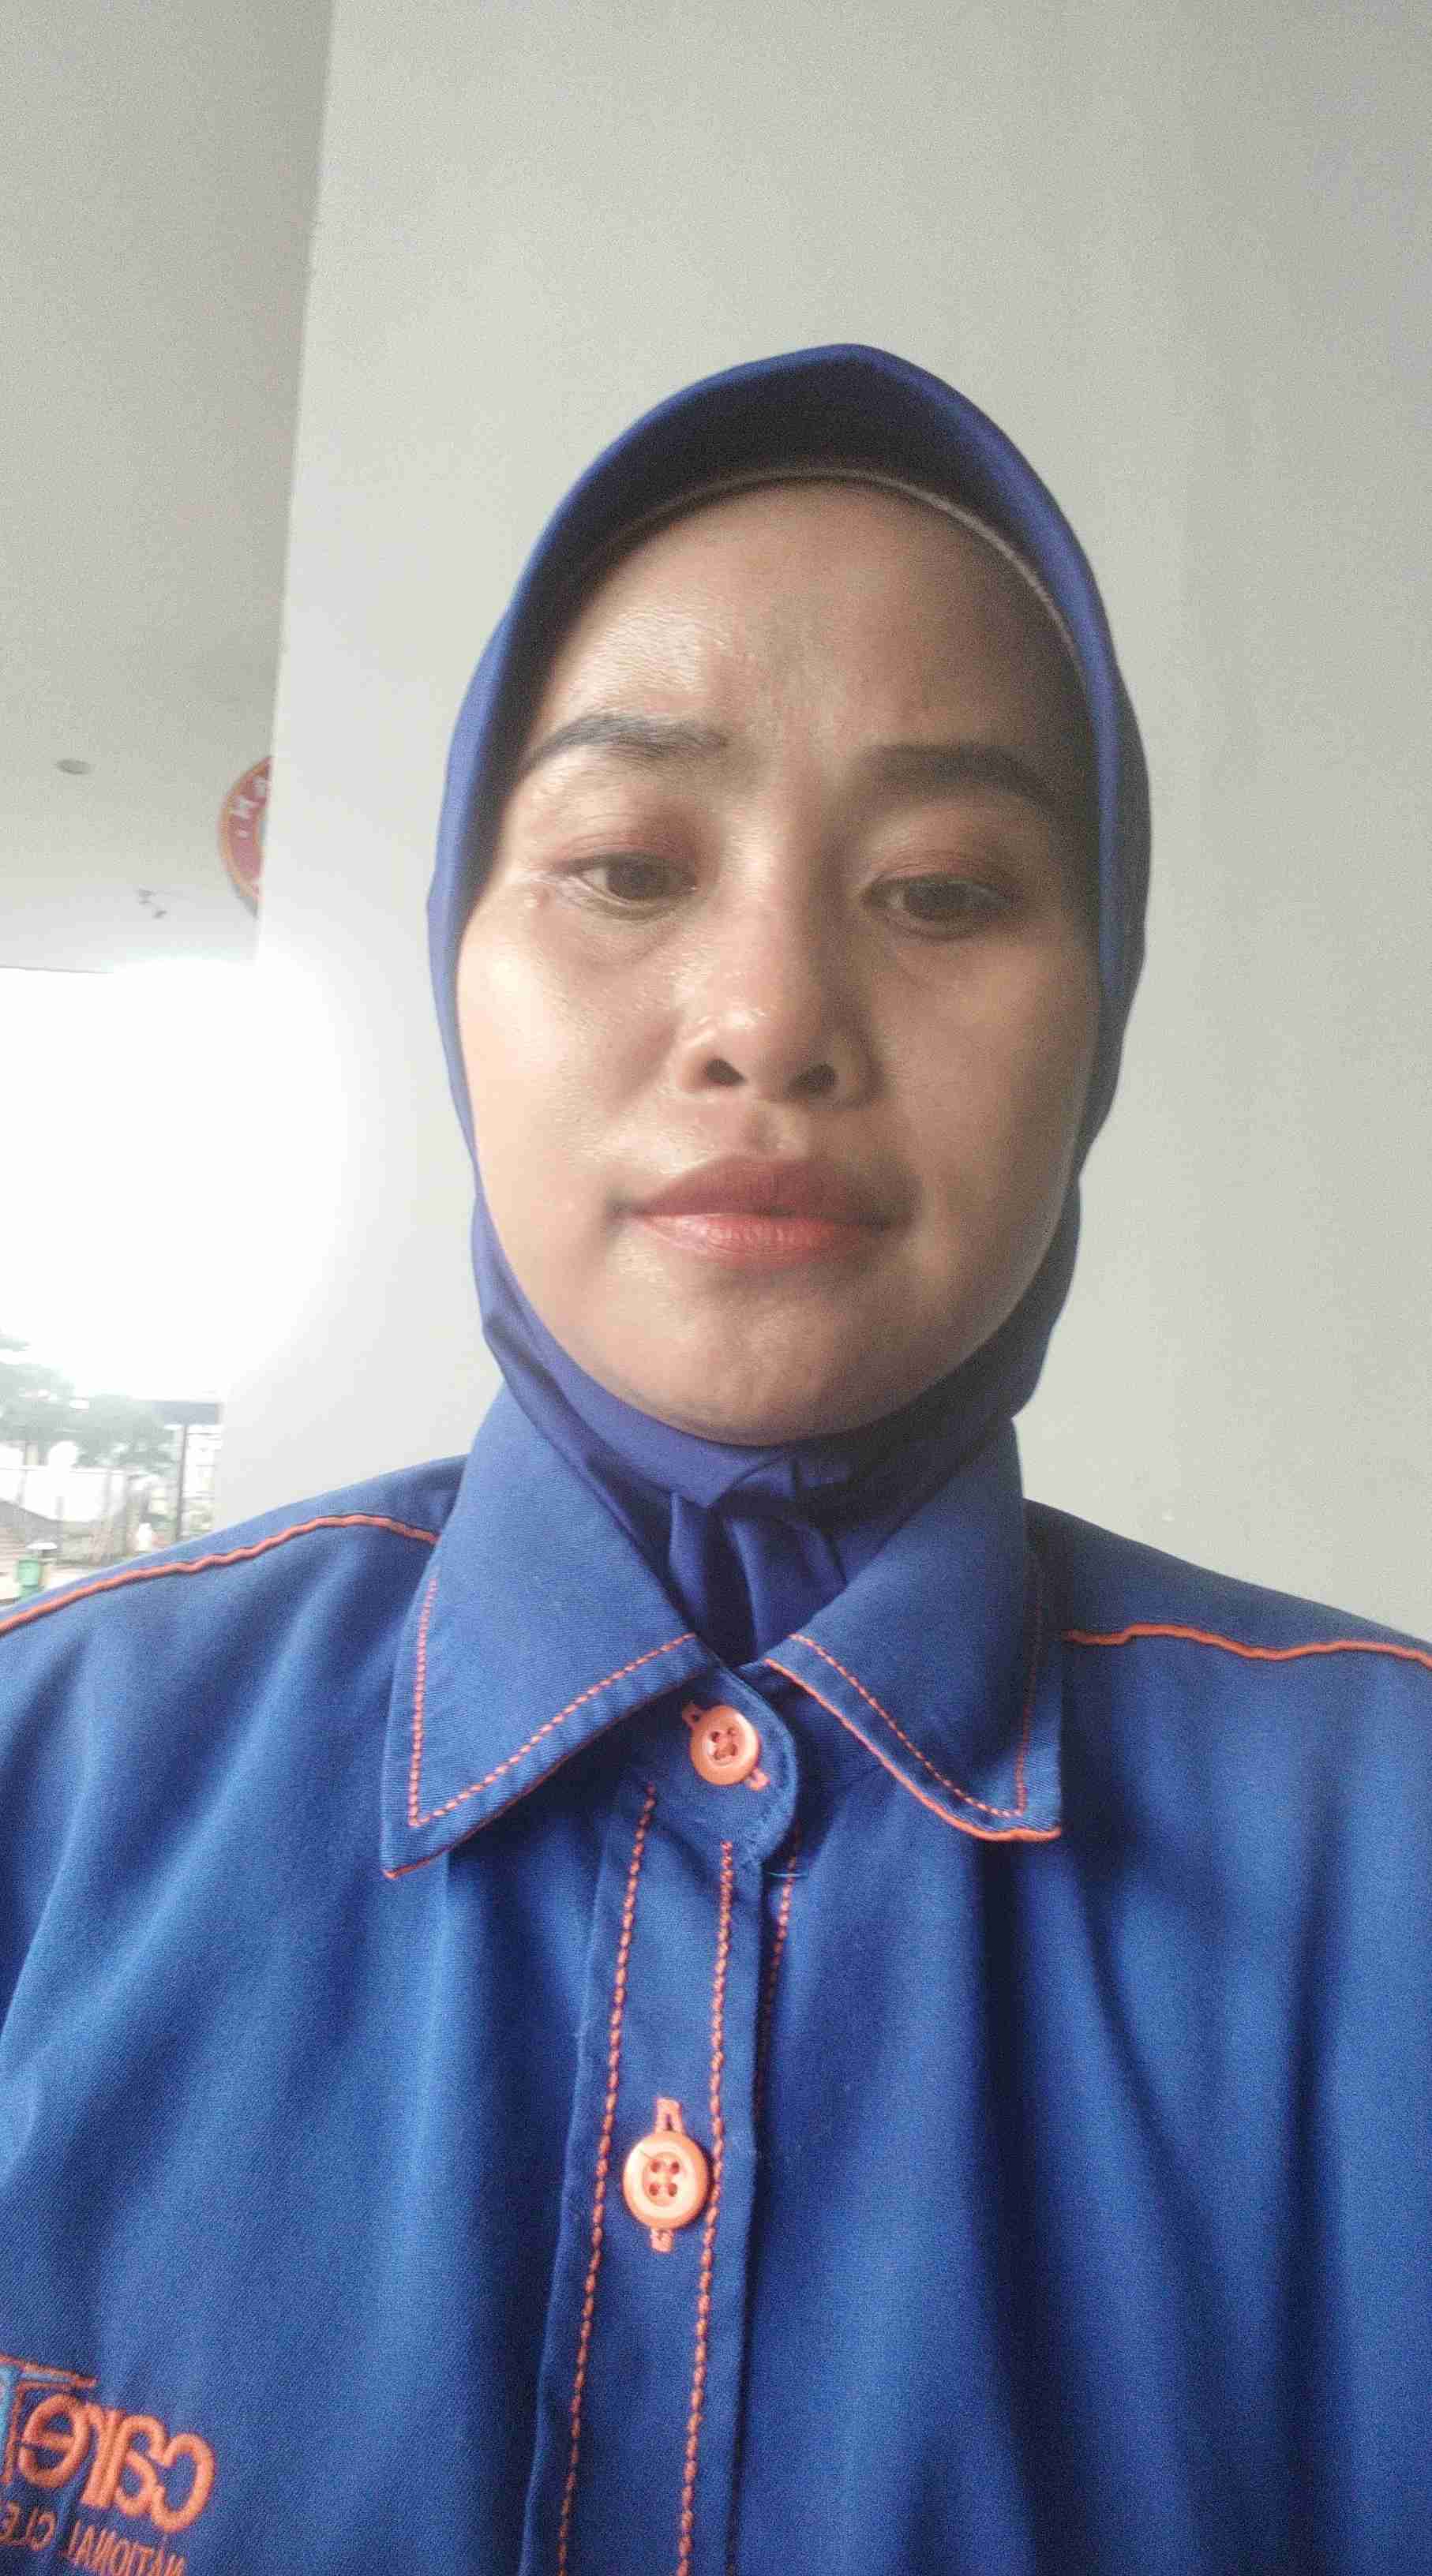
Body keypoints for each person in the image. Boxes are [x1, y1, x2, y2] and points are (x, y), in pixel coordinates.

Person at [0, 345, 1428, 2576]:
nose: (769, 1017)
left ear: (1102, 1017)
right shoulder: (52, 1779)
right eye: (626, 866)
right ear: (460, 964)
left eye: (942, 892)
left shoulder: (1391, 1863)